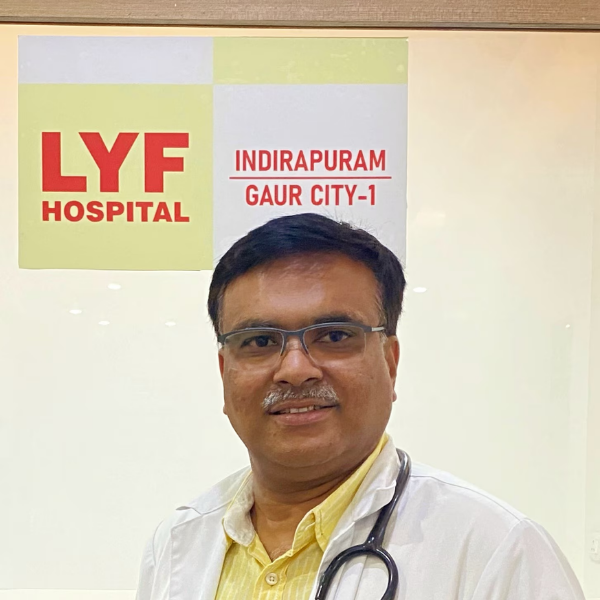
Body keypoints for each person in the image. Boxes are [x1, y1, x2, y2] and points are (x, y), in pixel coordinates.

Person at [136, 213, 585, 600]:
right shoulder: (178, 544)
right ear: (224, 371)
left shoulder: (496, 551)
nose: (295, 370)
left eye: (334, 336)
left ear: (390, 362)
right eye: (259, 341)